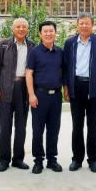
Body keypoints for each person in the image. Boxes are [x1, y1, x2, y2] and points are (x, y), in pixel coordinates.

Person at [63, 13, 96, 173]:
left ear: (92, 25)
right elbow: (66, 67)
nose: (84, 26)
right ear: (77, 25)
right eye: (81, 23)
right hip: (76, 86)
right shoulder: (70, 43)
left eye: (87, 23)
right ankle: (77, 159)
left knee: (93, 126)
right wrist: (66, 87)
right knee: (77, 126)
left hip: (94, 88)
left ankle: (93, 159)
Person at [0, 18, 35, 172]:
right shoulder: (4, 44)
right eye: (18, 27)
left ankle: (18, 159)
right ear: (13, 28)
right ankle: (4, 160)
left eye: (24, 27)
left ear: (27, 29)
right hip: (5, 88)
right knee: (5, 127)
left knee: (21, 127)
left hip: (23, 88)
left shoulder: (31, 45)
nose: (21, 29)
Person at [26, 21, 66, 174]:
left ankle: (51, 159)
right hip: (39, 95)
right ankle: (38, 160)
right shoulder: (34, 52)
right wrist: (31, 95)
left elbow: (64, 72)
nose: (48, 34)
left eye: (51, 31)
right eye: (45, 31)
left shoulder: (60, 52)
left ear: (55, 33)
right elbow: (29, 73)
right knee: (38, 130)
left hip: (56, 96)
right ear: (40, 34)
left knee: (54, 129)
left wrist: (66, 90)